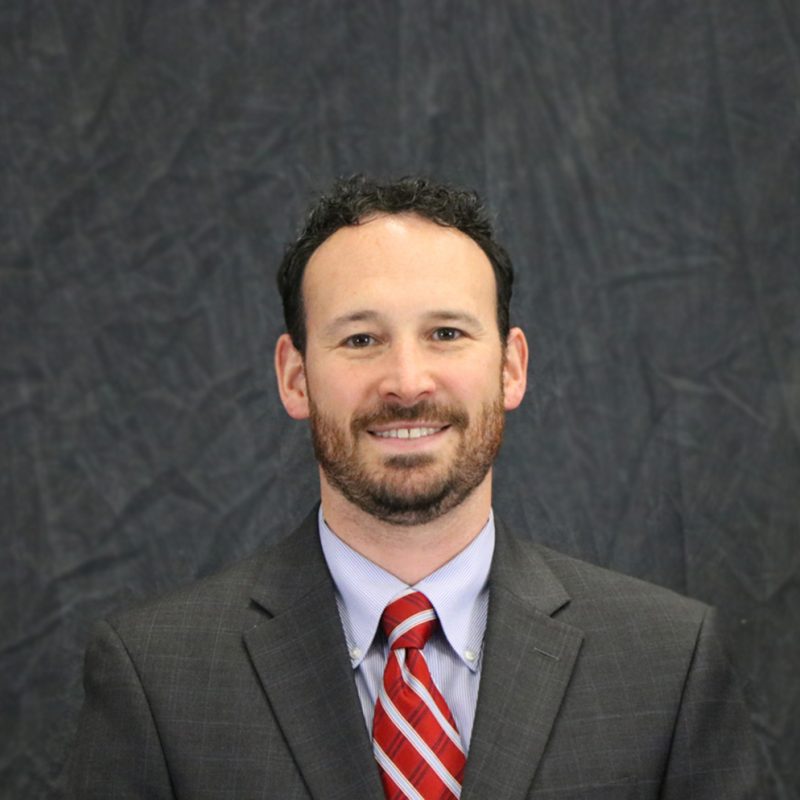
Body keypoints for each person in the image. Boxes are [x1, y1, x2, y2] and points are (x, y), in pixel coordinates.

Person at [69, 176, 761, 799]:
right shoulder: (155, 678)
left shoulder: (668, 664)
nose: (406, 381)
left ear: (511, 368)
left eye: (447, 333)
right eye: (361, 340)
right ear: (295, 377)